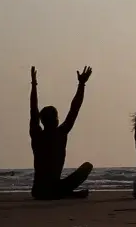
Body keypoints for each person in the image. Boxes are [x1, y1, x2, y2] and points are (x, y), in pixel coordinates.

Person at [29, 66, 94, 200]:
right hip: (53, 189)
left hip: (38, 191)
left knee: (63, 184)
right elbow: (74, 109)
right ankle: (68, 194)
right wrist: (82, 84)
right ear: (56, 120)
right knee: (87, 167)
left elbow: (33, 110)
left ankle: (67, 194)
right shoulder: (60, 134)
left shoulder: (37, 135)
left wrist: (34, 84)